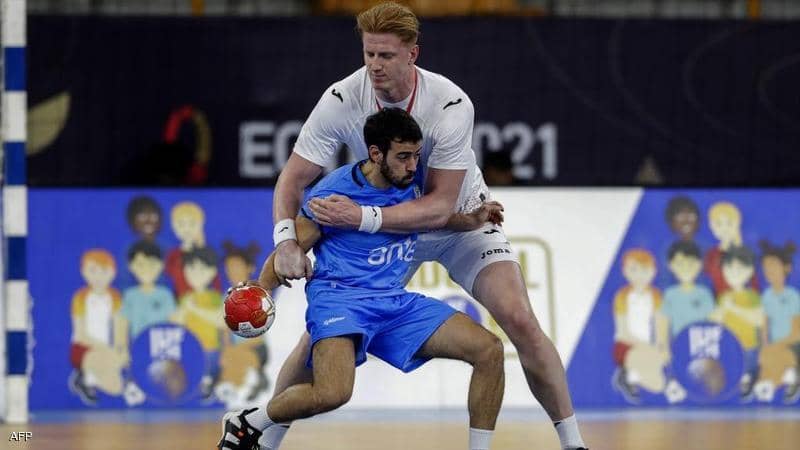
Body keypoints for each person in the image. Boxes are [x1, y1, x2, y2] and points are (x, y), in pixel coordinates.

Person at [267, 3, 587, 449]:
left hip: (461, 221)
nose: (375, 66)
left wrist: (362, 217)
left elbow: (439, 208)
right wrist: (285, 240)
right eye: (369, 54)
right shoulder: (342, 99)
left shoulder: (449, 104)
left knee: (519, 318)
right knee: (323, 335)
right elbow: (292, 180)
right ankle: (260, 436)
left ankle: (573, 443)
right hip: (392, 231)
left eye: (386, 55)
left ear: (412, 54)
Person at [219, 108, 506, 450]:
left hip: (393, 301)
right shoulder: (334, 193)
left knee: (489, 350)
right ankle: (250, 420)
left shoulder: (414, 182)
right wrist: (261, 289)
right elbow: (290, 248)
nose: (413, 166)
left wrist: (470, 221)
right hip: (340, 300)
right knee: (332, 393)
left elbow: (430, 217)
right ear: (375, 153)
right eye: (403, 157)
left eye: (416, 155)